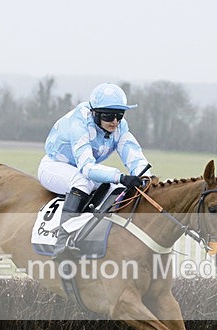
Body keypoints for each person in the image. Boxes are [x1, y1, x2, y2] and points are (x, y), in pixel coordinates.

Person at [37, 82, 152, 261]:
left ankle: (89, 236)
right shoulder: (79, 124)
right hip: (53, 166)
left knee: (115, 191)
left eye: (119, 115)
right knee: (83, 182)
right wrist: (120, 176)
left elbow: (133, 154)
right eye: (108, 116)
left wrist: (145, 177)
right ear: (94, 113)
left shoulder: (120, 127)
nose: (115, 121)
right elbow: (87, 168)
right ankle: (62, 243)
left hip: (81, 170)